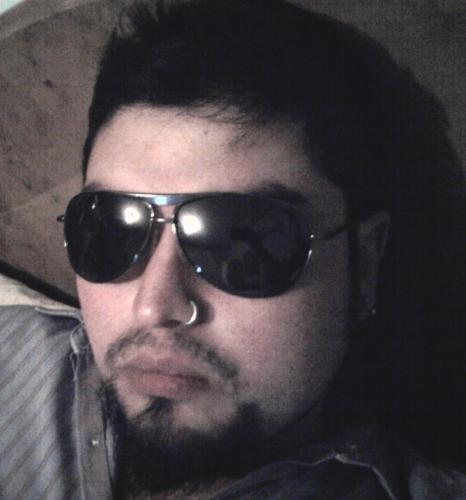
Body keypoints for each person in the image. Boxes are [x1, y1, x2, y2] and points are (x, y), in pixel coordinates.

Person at [0, 0, 465, 498]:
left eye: (242, 241)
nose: (154, 305)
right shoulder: (11, 344)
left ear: (365, 263)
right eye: (111, 229)